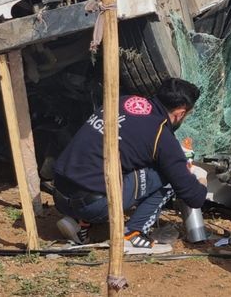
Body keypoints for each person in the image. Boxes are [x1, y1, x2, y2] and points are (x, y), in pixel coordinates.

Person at [52, 78, 207, 249]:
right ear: (180, 113)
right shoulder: (161, 136)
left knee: (107, 165)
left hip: (59, 194)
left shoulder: (124, 101)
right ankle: (133, 233)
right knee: (167, 176)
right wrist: (200, 178)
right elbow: (194, 197)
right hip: (92, 205)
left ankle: (79, 222)